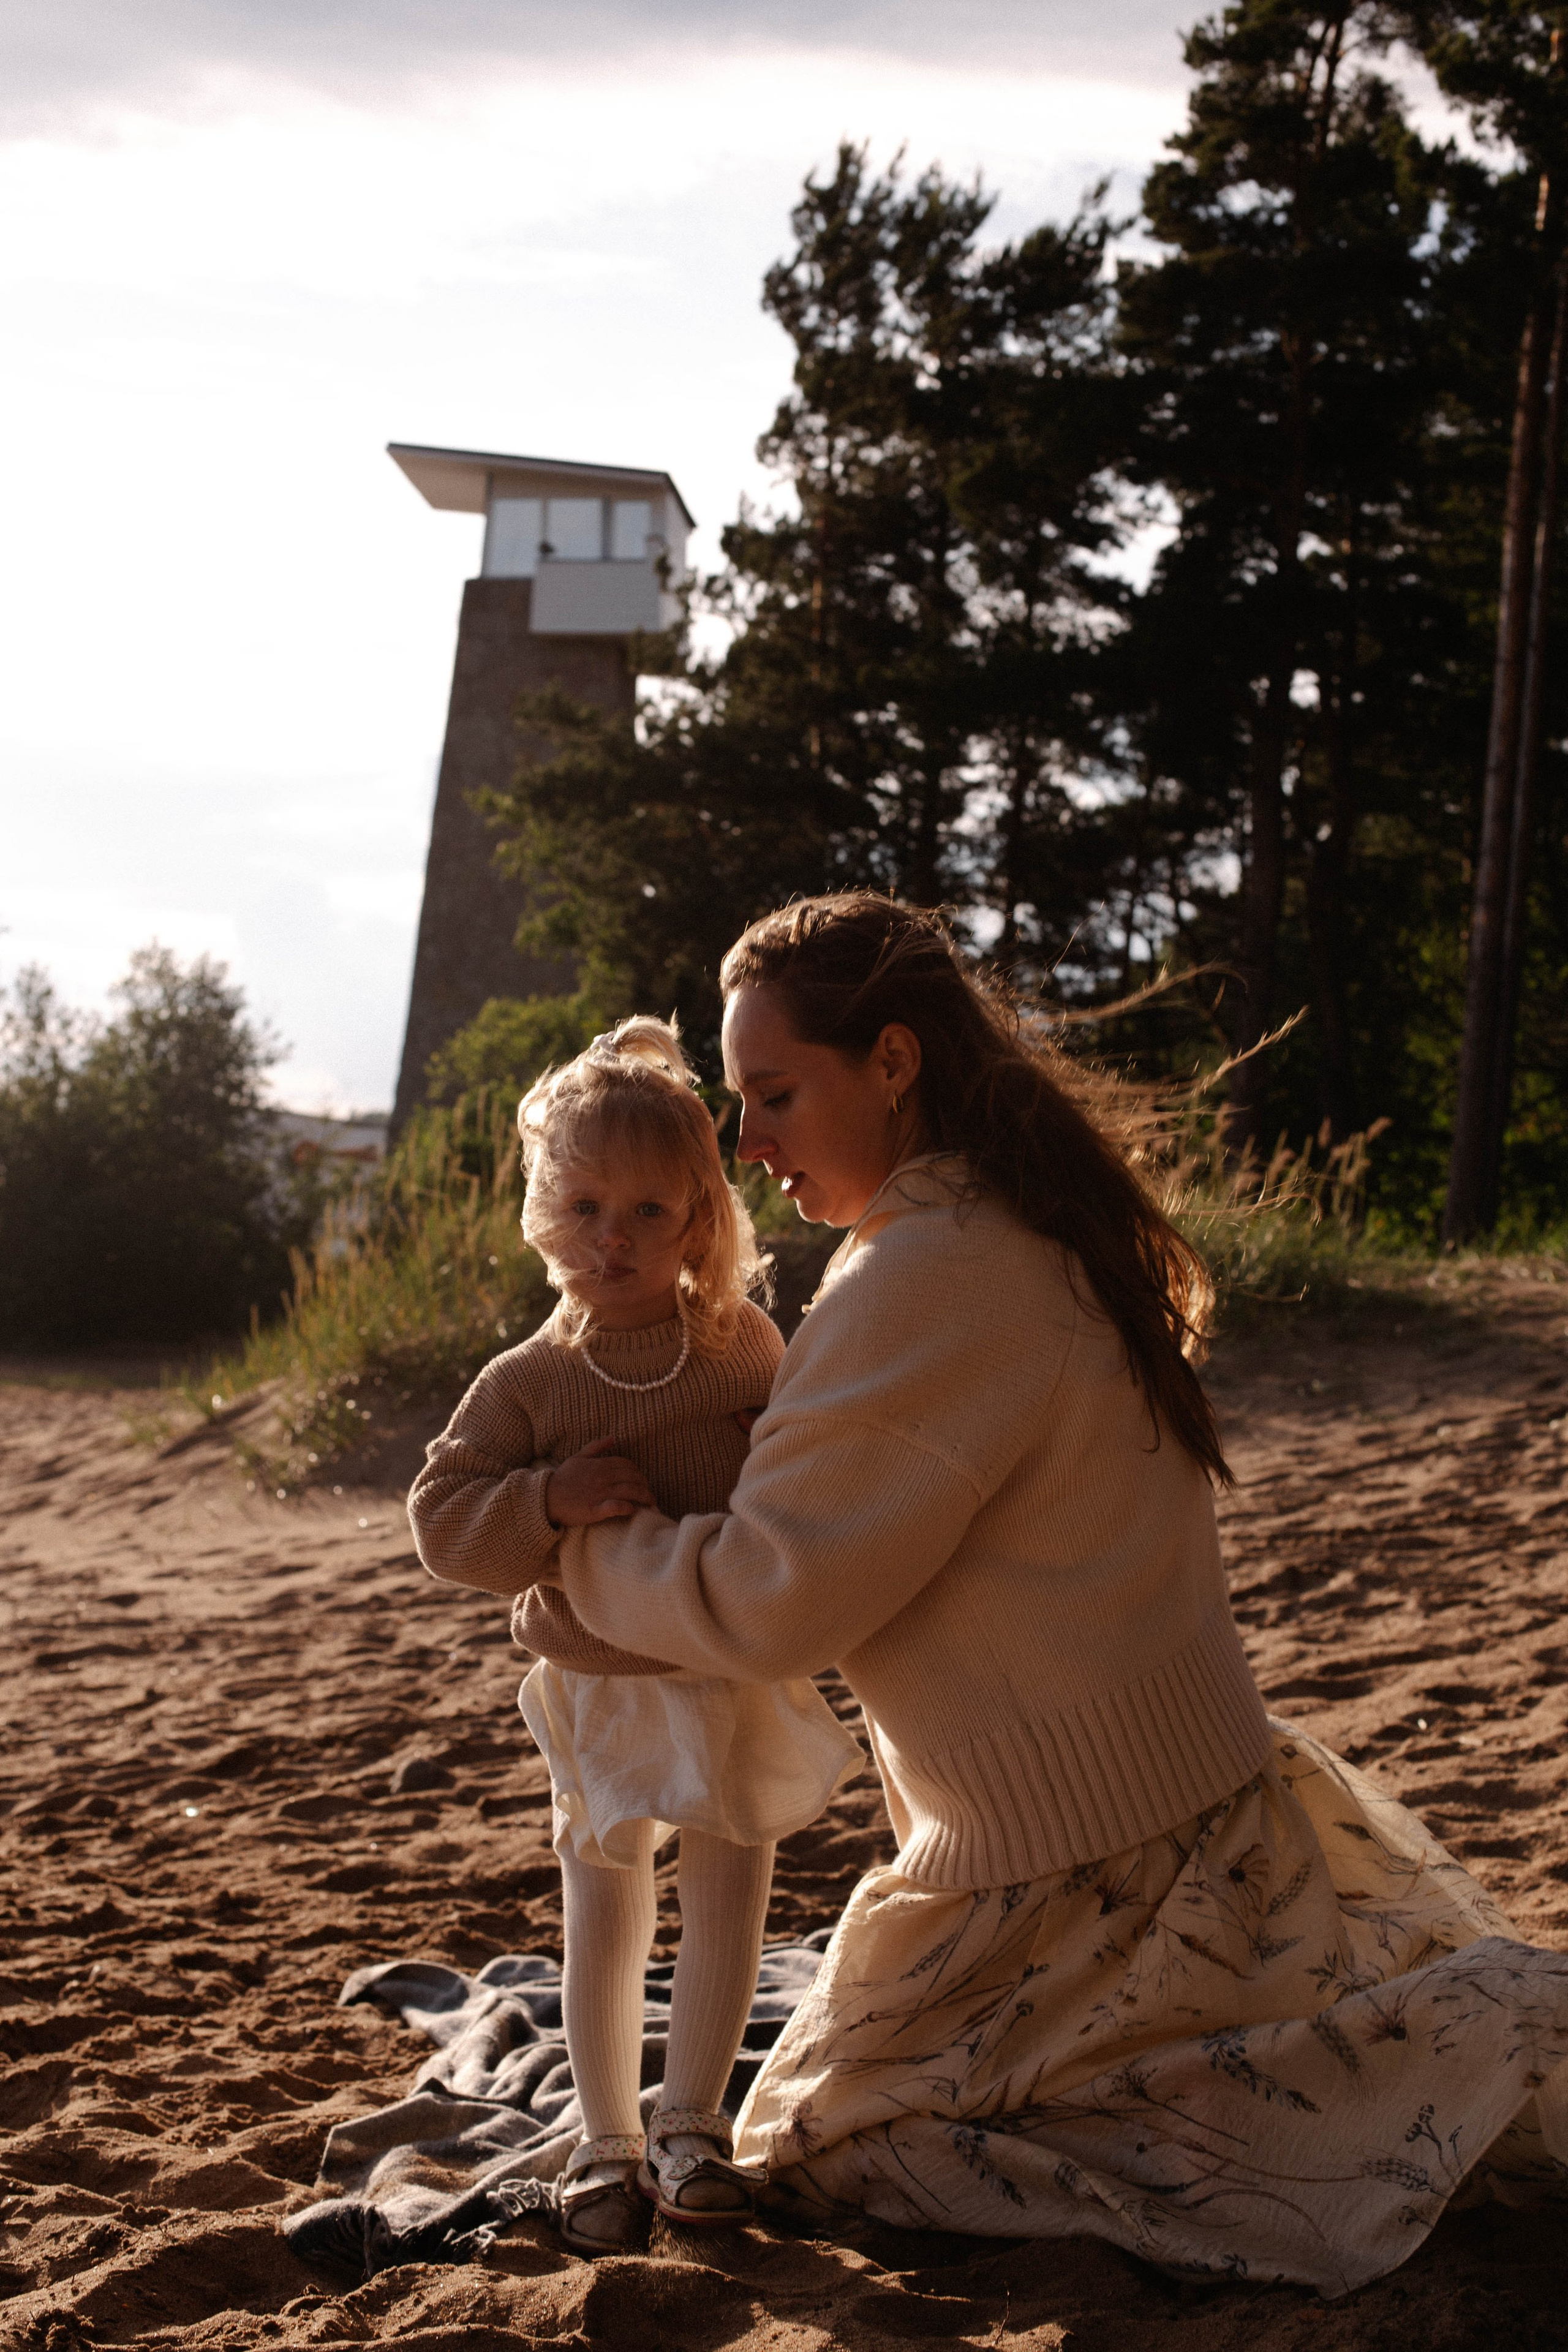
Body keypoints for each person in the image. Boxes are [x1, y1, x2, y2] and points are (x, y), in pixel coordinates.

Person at [529, 894, 1568, 2298]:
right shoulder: (1012, 1215)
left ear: (891, 1061)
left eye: (773, 1095)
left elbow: (769, 1603)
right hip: (1213, 1812)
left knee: (821, 2145)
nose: (744, 1142)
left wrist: (575, 1559)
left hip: (1075, 1881)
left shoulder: (924, 1278)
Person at [407, 1017, 861, 2255]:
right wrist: (545, 1501)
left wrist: (778, 1479)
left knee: (728, 1897)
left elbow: (802, 1468)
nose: (613, 1237)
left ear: (698, 1221)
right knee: (606, 1914)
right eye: (587, 1207)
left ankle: (690, 2127)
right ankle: (605, 2141)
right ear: (545, 1210)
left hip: (725, 1662)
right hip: (599, 1676)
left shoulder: (742, 1346)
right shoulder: (528, 1380)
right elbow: (441, 1520)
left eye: (648, 1212)